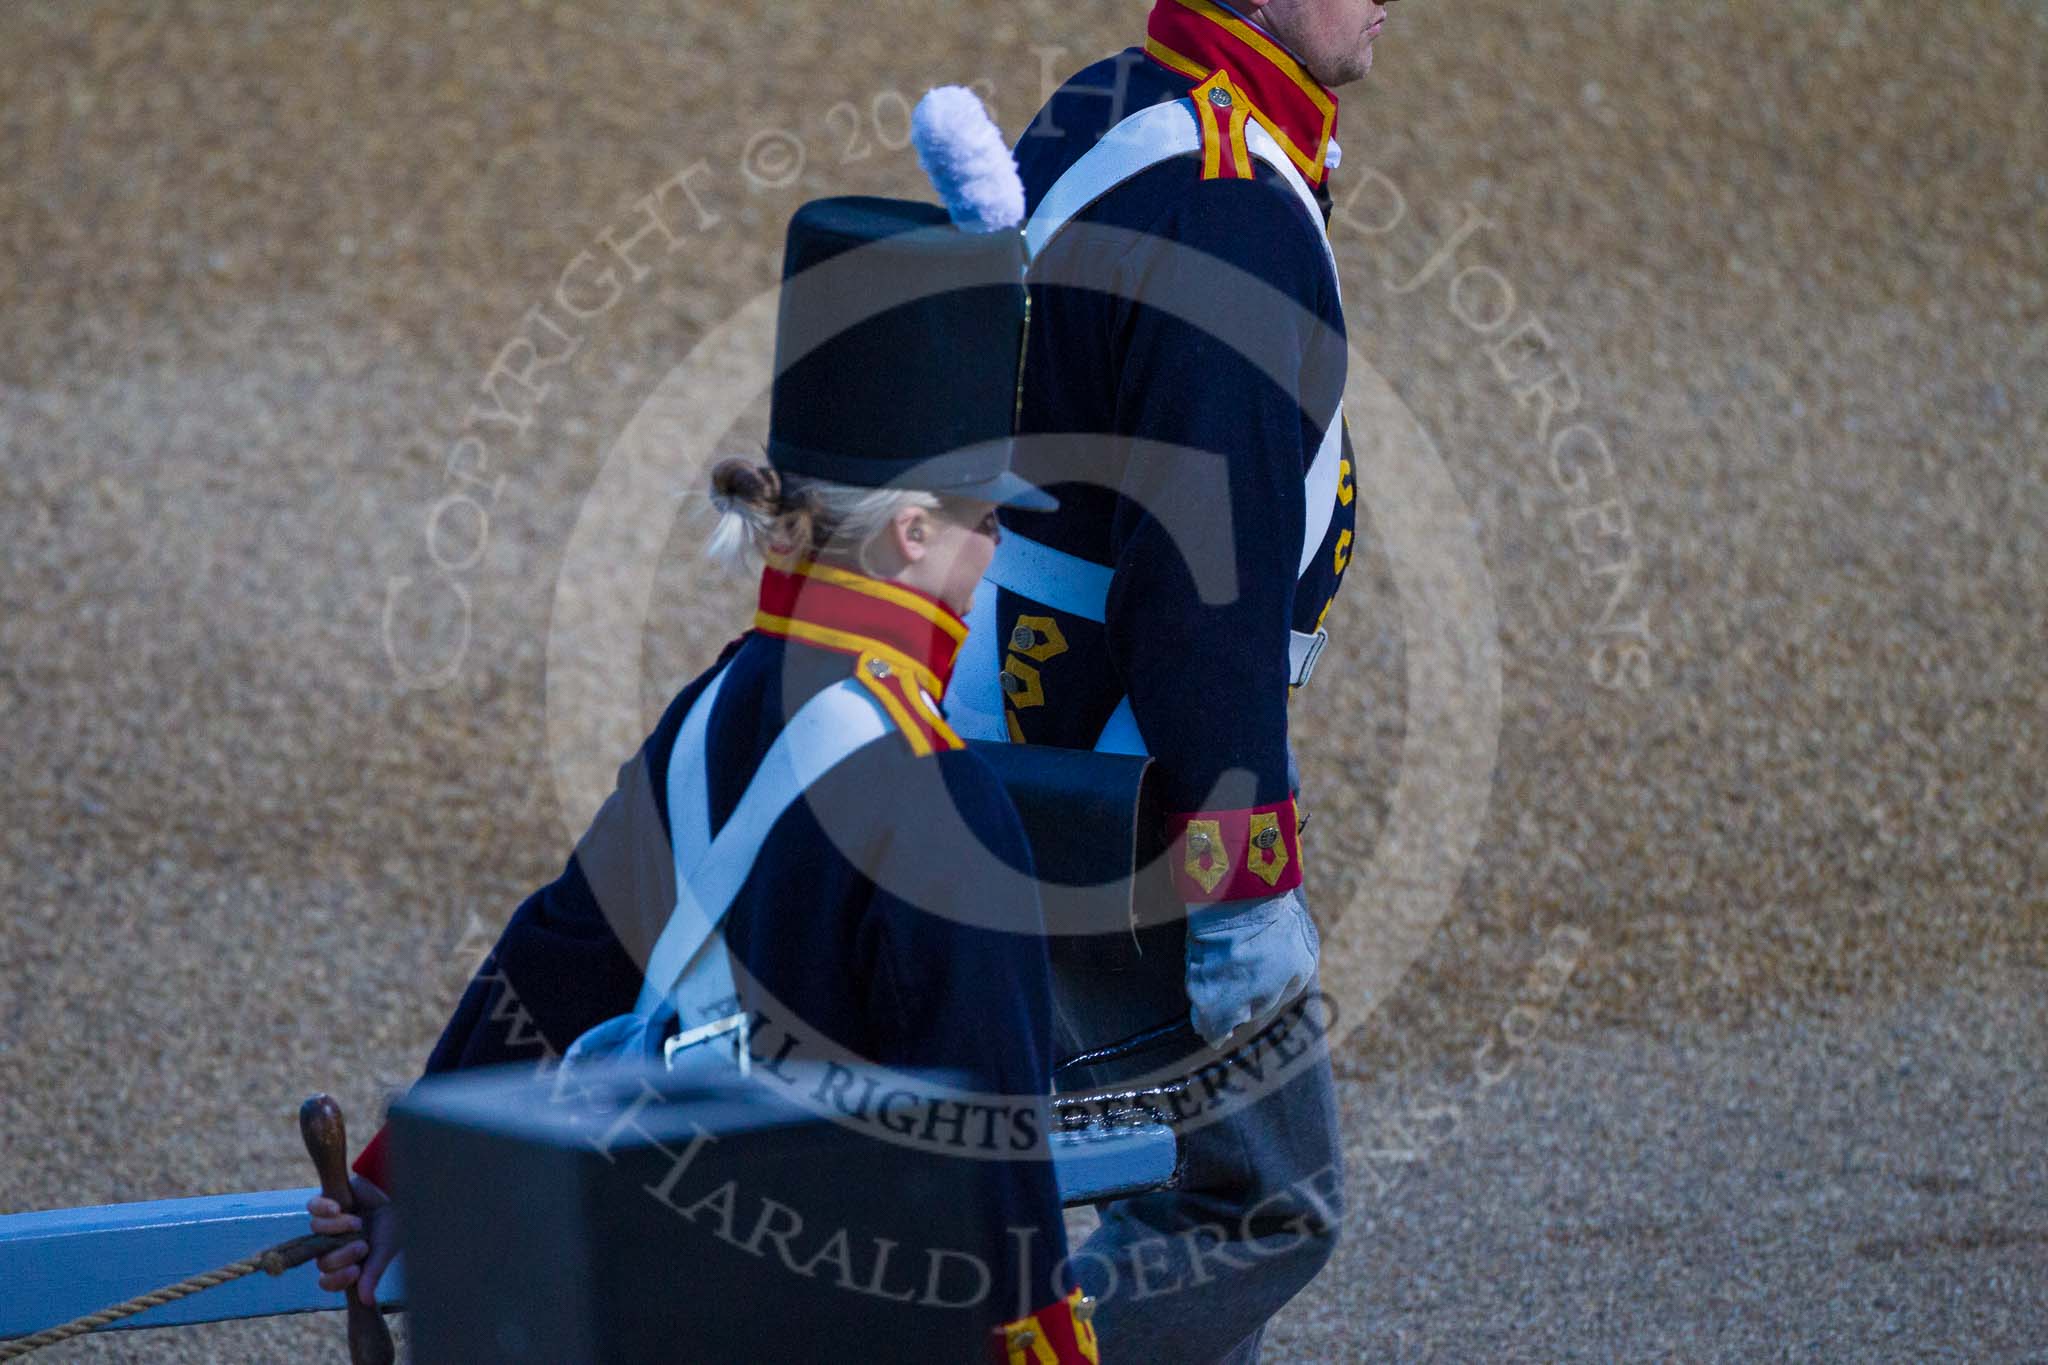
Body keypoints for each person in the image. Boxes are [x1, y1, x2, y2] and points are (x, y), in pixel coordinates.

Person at [309, 190, 1101, 1363]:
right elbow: (989, 1147)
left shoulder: (716, 706)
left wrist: (406, 1182)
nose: (997, 550)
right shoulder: (938, 793)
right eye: (984, 518)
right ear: (912, 536)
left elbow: (554, 961)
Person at [944, 1, 1401, 1359]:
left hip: (1018, 730)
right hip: (1133, 789)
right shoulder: (1229, 205)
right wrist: (1240, 895)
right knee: (1256, 1205)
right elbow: (1203, 596)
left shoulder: (1108, 104)